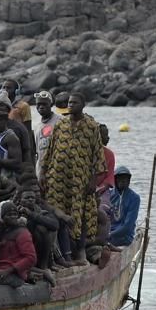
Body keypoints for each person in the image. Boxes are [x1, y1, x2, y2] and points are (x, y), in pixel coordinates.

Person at [40, 93, 105, 265]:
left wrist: (93, 180)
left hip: (79, 180)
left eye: (75, 102)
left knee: (81, 215)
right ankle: (61, 253)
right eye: (69, 102)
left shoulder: (92, 126)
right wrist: (43, 173)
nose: (71, 105)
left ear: (83, 105)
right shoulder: (60, 124)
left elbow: (97, 155)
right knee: (57, 213)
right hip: (57, 177)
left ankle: (81, 250)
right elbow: (51, 149)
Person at [0, 203, 37, 285]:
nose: (13, 217)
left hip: (14, 275)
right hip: (0, 271)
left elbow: (31, 258)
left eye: (15, 214)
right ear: (2, 218)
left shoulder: (23, 233)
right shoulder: (2, 232)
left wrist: (9, 270)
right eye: (9, 215)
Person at [104, 165, 142, 246]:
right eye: (120, 178)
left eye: (125, 178)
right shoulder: (109, 195)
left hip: (124, 236)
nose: (123, 181)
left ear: (129, 180)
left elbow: (127, 226)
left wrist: (110, 234)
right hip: (108, 233)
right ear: (115, 180)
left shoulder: (134, 198)